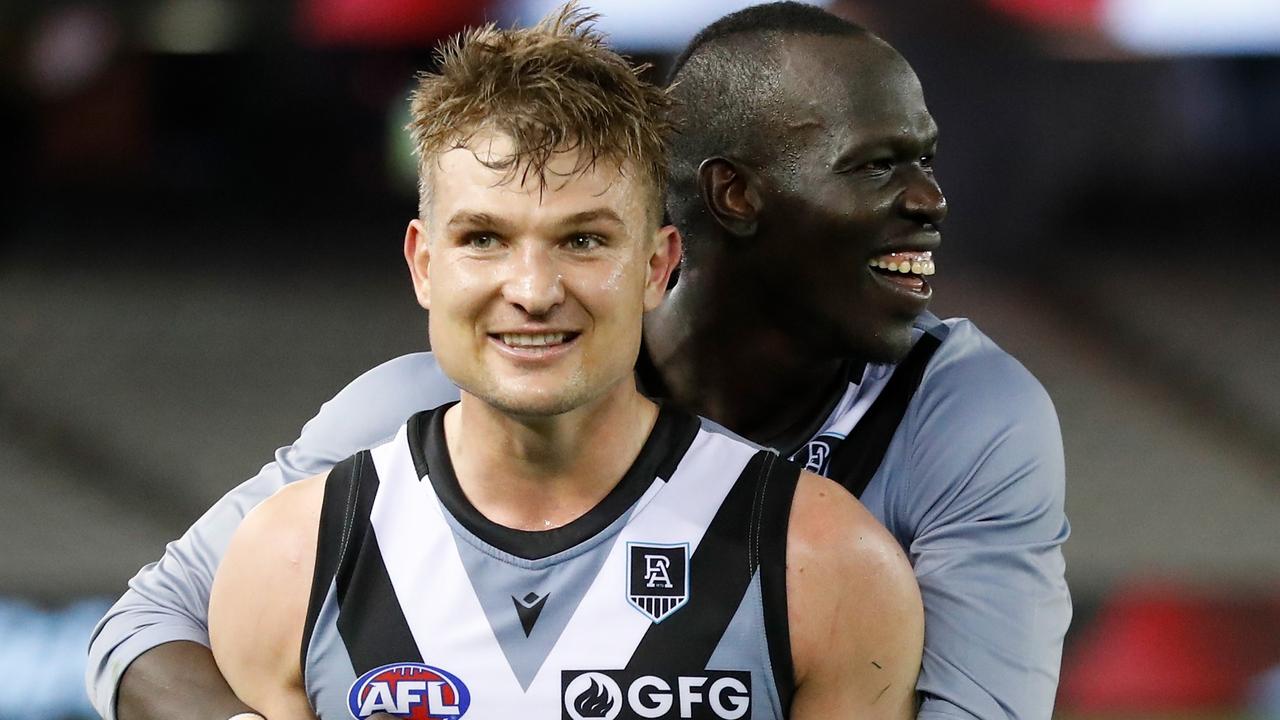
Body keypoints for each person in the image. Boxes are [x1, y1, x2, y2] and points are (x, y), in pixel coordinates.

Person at [88, 3, 1070, 719]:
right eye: (875, 165)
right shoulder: (373, 456)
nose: (531, 286)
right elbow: (144, 628)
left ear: (655, 261)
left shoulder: (928, 450)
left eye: (582, 241)